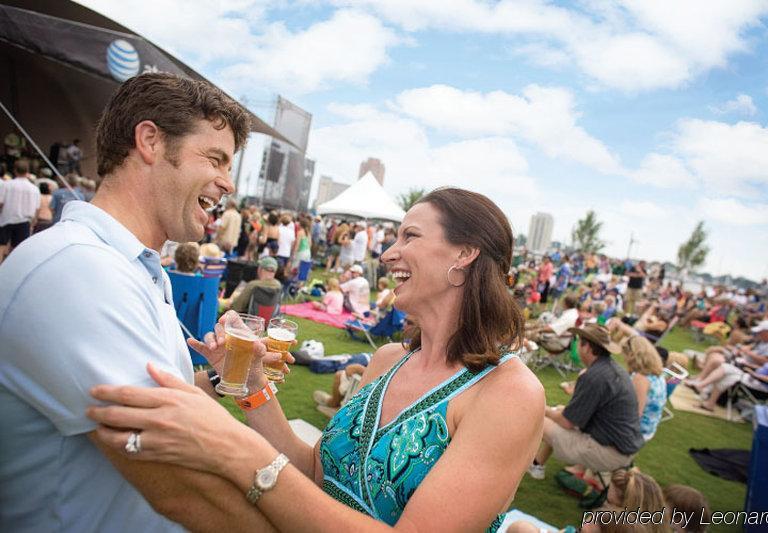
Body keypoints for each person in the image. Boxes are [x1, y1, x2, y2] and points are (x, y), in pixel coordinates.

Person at [84, 187, 545, 532]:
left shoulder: (508, 393)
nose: (387, 253)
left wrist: (242, 454)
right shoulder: (387, 360)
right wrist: (250, 386)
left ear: (465, 254)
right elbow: (316, 475)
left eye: (410, 236)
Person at [0, 73, 276, 532]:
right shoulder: (78, 268)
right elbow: (178, 482)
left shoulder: (132, 266)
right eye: (215, 159)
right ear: (149, 141)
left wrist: (223, 379)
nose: (227, 183)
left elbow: (158, 401)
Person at [528, 323, 643, 480]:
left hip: (610, 452)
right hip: (622, 446)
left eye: (579, 342)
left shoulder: (595, 376)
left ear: (587, 347)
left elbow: (567, 422)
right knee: (558, 411)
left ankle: (518, 463)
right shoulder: (612, 369)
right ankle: (537, 465)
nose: (577, 347)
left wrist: (544, 409)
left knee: (537, 418)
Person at [694, 338, 768, 412]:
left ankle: (702, 387)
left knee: (727, 370)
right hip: (754, 379)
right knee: (727, 373)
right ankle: (708, 399)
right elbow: (766, 369)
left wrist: (756, 375)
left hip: (762, 387)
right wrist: (750, 366)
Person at [621, 336, 667, 441]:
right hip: (649, 427)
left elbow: (634, 414)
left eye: (625, 355)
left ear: (632, 355)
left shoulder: (640, 379)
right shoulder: (658, 374)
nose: (624, 359)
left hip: (637, 433)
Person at [0, 158, 40, 260]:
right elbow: (37, 209)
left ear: (15, 170)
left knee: (1, 246)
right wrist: (33, 223)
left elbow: (1, 203)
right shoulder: (34, 188)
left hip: (5, 219)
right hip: (24, 221)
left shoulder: (7, 185)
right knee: (17, 250)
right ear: (27, 171)